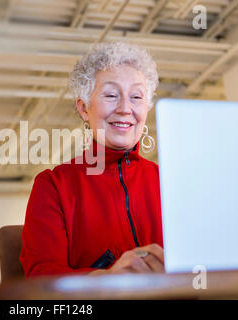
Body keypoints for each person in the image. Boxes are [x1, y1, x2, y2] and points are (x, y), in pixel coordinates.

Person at [20, 41, 165, 277]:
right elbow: (41, 275)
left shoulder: (169, 181)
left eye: (136, 97)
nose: (125, 108)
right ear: (84, 108)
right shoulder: (53, 186)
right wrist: (108, 278)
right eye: (111, 95)